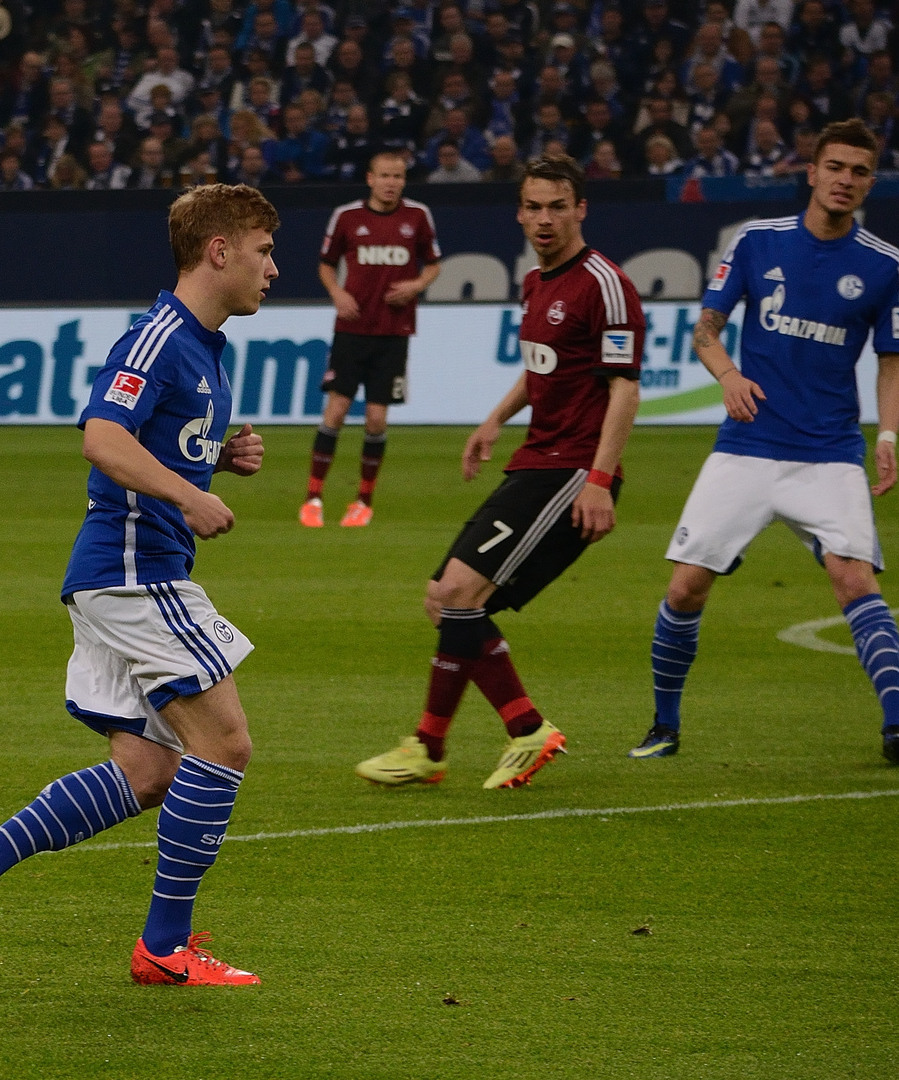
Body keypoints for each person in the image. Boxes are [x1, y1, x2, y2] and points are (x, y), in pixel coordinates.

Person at [0, 184, 275, 986]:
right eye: (262, 250)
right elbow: (103, 437)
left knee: (150, 773)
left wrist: (215, 458)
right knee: (224, 744)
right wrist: (191, 495)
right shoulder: (158, 336)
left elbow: (150, 439)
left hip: (127, 574)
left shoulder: (205, 348)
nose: (271, 268)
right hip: (133, 575)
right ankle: (163, 947)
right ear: (218, 251)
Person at [355, 155, 642, 789]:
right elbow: (541, 370)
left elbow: (625, 388)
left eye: (557, 206)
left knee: (459, 595)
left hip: (573, 470)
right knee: (443, 599)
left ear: (580, 209)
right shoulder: (537, 282)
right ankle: (475, 737)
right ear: (519, 211)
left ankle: (472, 738)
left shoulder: (605, 283)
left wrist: (600, 479)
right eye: (534, 206)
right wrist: (493, 421)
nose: (545, 219)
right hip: (537, 459)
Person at [633, 120, 899, 763]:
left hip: (830, 453)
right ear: (811, 171)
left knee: (854, 580)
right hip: (748, 446)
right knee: (685, 588)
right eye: (835, 166)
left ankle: (897, 726)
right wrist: (728, 376)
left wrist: (888, 432)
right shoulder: (756, 242)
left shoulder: (885, 266)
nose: (845, 180)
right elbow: (705, 330)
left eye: (859, 172)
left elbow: (892, 362)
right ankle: (664, 726)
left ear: (869, 182)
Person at [303, 151, 440, 528]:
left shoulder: (417, 216)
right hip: (352, 329)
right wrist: (337, 293)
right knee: (336, 411)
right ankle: (313, 497)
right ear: (370, 178)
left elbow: (433, 264)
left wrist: (415, 285)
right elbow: (325, 263)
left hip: (394, 333)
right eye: (384, 175)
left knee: (377, 419)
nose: (391, 182)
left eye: (398, 176)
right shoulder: (348, 216)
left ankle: (363, 500)